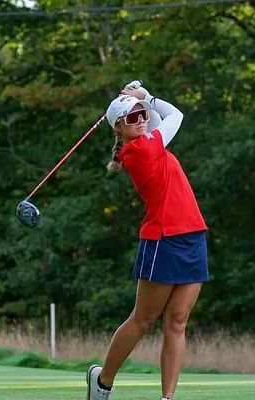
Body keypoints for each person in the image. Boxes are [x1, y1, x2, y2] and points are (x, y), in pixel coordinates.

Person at [86, 81, 210, 400]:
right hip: (163, 238)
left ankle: (167, 398)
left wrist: (138, 94)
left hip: (192, 234)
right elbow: (174, 116)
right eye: (132, 117)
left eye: (142, 114)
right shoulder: (138, 150)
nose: (141, 118)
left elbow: (157, 120)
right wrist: (148, 97)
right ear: (119, 129)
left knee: (178, 321)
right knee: (143, 319)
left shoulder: (149, 141)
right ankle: (103, 382)